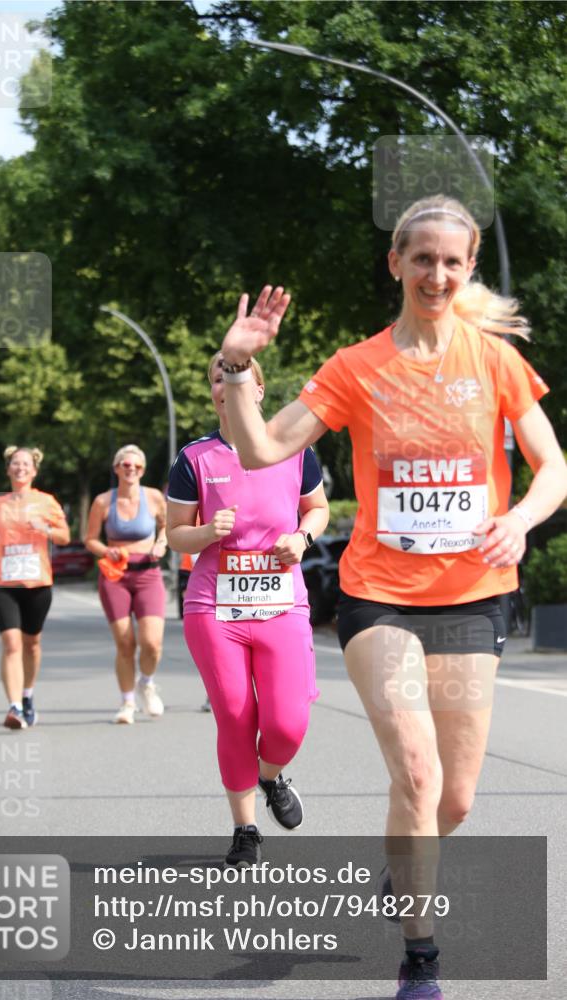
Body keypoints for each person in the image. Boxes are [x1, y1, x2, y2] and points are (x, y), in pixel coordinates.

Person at [217, 195, 567, 997]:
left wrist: (518, 519)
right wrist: (235, 369)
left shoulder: (495, 363)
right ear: (395, 264)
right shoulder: (356, 366)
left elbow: (552, 467)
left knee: (454, 799)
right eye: (421, 259)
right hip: (379, 596)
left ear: (467, 268)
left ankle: (405, 864)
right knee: (415, 772)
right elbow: (260, 448)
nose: (435, 274)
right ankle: (420, 958)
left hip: (473, 596)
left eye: (450, 262)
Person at [166, 353, 329, 867]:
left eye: (236, 378)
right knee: (235, 717)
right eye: (217, 379)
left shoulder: (294, 448)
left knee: (287, 723)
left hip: (281, 603)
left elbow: (317, 509)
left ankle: (269, 776)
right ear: (213, 393)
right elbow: (175, 534)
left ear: (257, 390)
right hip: (214, 608)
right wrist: (204, 533)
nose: (226, 386)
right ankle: (245, 830)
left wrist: (301, 538)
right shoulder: (194, 458)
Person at [0, 446, 70, 729]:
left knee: (31, 644)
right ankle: (14, 708)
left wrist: (45, 529)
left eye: (25, 464)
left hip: (37, 581)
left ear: (34, 471)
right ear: (8, 469)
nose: (20, 468)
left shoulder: (46, 501)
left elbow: (64, 537)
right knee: (11, 644)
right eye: (15, 463)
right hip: (2, 581)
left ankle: (27, 694)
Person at [83, 445, 168, 724]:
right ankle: (127, 703)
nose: (131, 469)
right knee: (125, 643)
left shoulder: (154, 497)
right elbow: (90, 539)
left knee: (152, 643)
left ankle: (147, 683)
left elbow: (168, 526)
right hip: (115, 577)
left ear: (143, 470)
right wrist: (106, 551)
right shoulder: (103, 501)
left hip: (148, 574)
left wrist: (161, 543)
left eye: (137, 466)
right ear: (116, 468)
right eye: (126, 465)